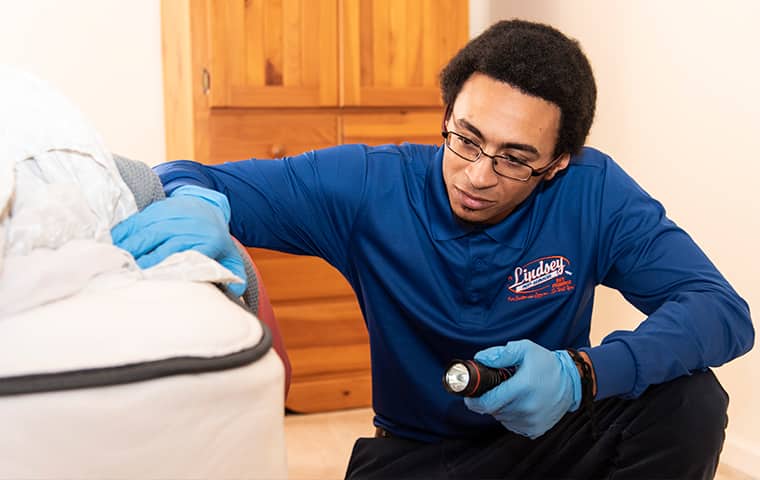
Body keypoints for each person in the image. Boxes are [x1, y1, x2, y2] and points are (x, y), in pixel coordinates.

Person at [112, 20, 753, 479]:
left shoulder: (595, 191)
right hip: (415, 454)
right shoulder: (368, 184)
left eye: (515, 158)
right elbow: (195, 175)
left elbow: (720, 311)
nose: (477, 174)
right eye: (466, 139)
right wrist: (197, 202)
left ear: (558, 163)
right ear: (445, 116)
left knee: (690, 401)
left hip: (547, 441)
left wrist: (582, 375)